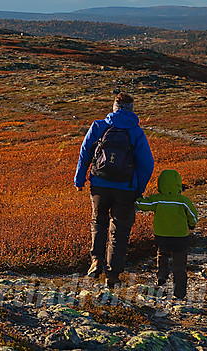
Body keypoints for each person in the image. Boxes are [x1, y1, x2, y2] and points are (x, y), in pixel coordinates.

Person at [74, 92, 155, 288]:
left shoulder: (99, 126)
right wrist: (138, 188)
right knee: (119, 231)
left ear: (114, 107)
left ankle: (95, 262)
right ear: (131, 109)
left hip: (99, 184)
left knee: (98, 222)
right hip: (126, 188)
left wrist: (79, 178)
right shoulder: (136, 132)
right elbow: (147, 164)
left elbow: (85, 152)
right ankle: (113, 275)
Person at [136, 169, 198, 299]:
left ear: (160, 184)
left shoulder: (157, 200)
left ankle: (161, 276)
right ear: (178, 184)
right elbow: (192, 216)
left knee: (162, 253)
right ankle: (179, 293)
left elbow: (141, 204)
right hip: (180, 238)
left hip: (162, 236)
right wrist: (191, 224)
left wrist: (136, 194)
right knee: (179, 265)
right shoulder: (183, 201)